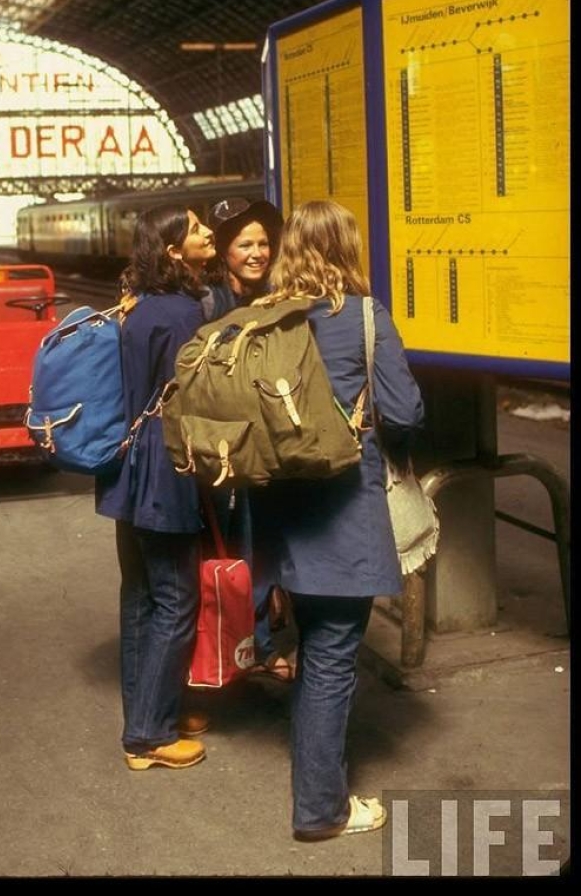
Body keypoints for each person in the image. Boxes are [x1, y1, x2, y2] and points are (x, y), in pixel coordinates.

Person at [249, 199, 424, 841]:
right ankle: (321, 808)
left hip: (279, 512)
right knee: (331, 655)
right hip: (343, 508)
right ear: (347, 248)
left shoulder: (264, 319)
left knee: (312, 643)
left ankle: (317, 781)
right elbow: (404, 411)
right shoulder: (364, 317)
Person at [95, 204, 216, 771]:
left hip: (126, 467)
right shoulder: (183, 312)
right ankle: (149, 734)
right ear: (173, 252)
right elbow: (199, 395)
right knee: (177, 598)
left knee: (140, 597)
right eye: (195, 229)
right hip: (166, 468)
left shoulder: (137, 307)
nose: (207, 233)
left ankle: (145, 712)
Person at [203, 197, 295, 684]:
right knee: (227, 544)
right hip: (223, 446)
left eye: (263, 242)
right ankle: (231, 646)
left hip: (266, 444)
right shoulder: (209, 301)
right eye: (245, 244)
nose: (258, 252)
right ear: (224, 250)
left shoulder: (277, 294)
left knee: (260, 543)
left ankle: (258, 642)